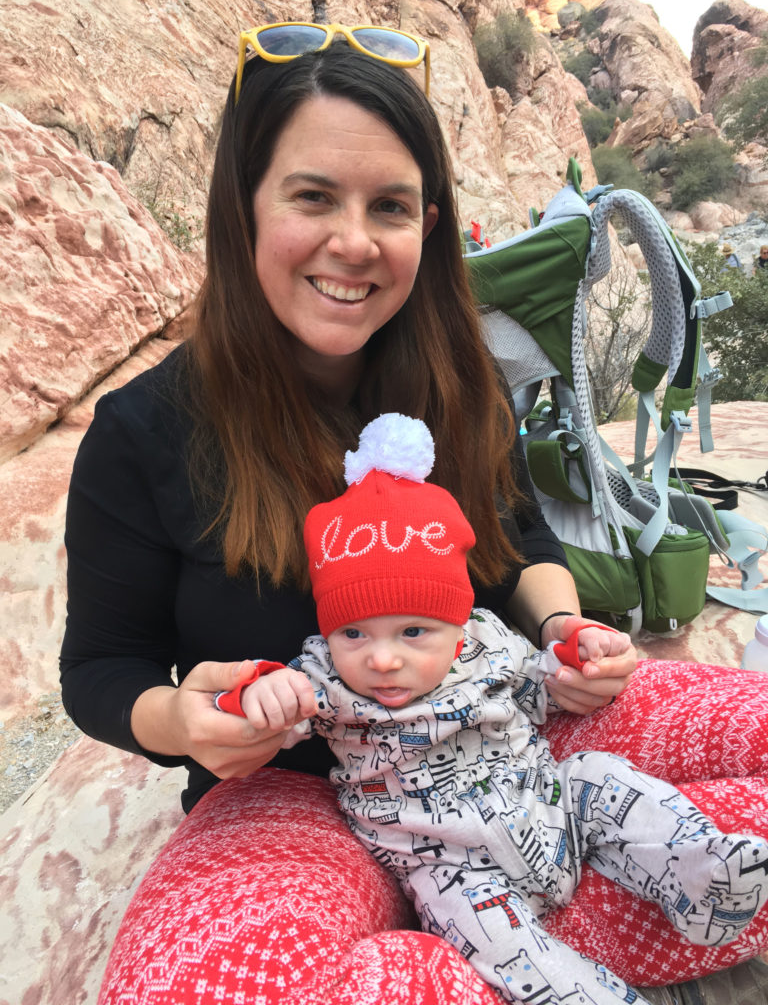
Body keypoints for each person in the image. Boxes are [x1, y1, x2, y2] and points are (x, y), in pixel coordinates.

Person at [58, 23, 768, 1004]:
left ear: (427, 224)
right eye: (312, 195)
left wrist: (564, 631)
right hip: (294, 796)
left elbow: (522, 537)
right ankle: (500, 944)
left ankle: (489, 939)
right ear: (242, 205)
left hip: (510, 741)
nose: (354, 241)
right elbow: (101, 668)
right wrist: (183, 720)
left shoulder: (458, 379)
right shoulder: (142, 432)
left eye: (389, 205)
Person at [222, 412, 768, 1005]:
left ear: (457, 627)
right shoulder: (325, 678)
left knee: (598, 774)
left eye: (412, 632)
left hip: (551, 811)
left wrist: (574, 658)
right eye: (354, 633)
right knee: (488, 938)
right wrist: (256, 690)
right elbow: (265, 713)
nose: (380, 660)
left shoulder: (487, 643)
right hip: (454, 871)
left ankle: (704, 879)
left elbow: (541, 686)